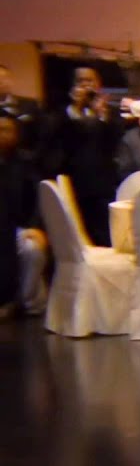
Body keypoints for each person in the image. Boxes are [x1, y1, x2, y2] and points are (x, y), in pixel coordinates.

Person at [47, 67, 122, 247]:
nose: (86, 85)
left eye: (90, 81)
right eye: (81, 81)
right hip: (73, 183)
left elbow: (116, 140)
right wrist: (76, 108)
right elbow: (55, 138)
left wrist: (101, 114)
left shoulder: (110, 112)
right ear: (73, 86)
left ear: (99, 85)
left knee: (105, 237)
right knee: (76, 238)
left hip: (103, 185)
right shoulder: (61, 112)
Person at [0, 115, 47, 319]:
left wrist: (35, 226)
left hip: (20, 228)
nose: (1, 135)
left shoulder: (26, 162)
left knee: (32, 250)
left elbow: (38, 197)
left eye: (6, 130)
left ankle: (22, 300)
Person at [0, 64, 41, 154]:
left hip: (25, 160)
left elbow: (41, 134)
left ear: (11, 81)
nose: (1, 82)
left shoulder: (30, 104)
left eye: (4, 78)